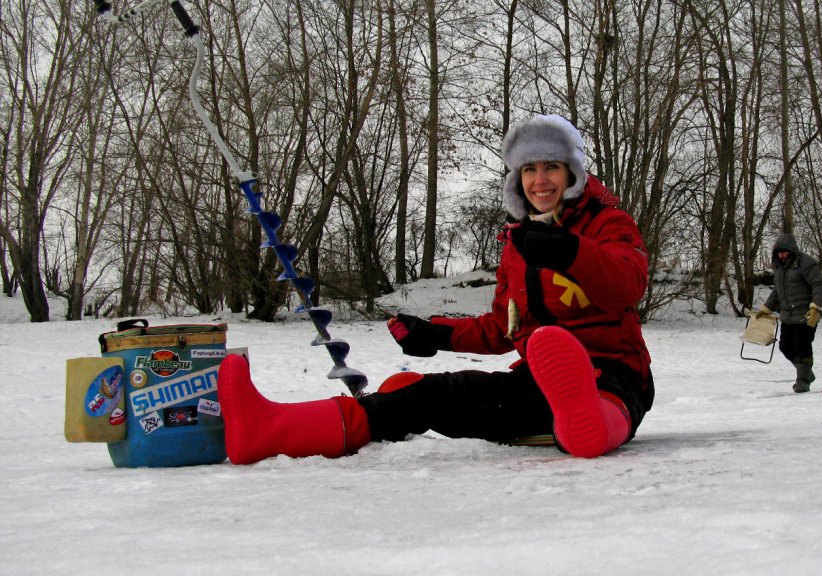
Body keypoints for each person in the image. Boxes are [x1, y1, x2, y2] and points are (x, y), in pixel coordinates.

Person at [217, 114, 654, 463]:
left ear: (573, 173)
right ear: (517, 178)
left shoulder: (606, 221)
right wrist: (436, 334)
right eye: (530, 169)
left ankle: (589, 423)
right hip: (538, 384)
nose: (540, 180)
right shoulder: (517, 244)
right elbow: (506, 329)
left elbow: (627, 283)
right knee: (430, 394)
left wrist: (570, 252)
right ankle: (269, 429)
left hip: (617, 376)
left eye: (552, 167)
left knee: (599, 403)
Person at [755, 233, 822, 393]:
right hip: (787, 316)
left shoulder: (806, 264)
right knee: (785, 346)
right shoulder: (779, 268)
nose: (781, 255)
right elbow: (777, 291)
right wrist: (766, 308)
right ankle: (806, 373)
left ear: (792, 251)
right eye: (779, 253)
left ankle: (802, 381)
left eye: (784, 252)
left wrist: (816, 307)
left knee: (802, 347)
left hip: (806, 315)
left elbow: (819, 285)